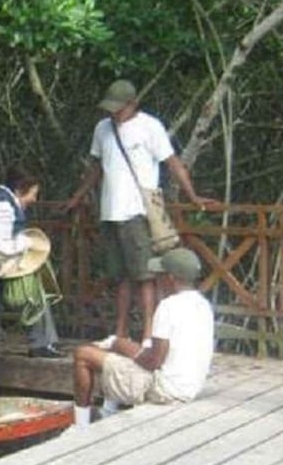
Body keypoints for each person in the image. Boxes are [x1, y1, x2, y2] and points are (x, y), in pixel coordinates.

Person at [67, 79, 214, 344]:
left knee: (145, 275)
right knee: (120, 275)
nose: (114, 113)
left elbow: (174, 163)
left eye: (119, 108)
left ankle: (149, 334)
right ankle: (120, 332)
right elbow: (96, 167)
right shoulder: (103, 129)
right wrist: (78, 197)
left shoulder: (150, 127)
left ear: (133, 104)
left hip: (138, 211)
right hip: (110, 211)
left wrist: (192, 196)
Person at [71, 247, 214, 428]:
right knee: (122, 352)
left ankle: (81, 426)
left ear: (170, 278)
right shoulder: (204, 305)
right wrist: (125, 347)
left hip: (164, 390)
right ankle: (108, 411)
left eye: (160, 275)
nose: (157, 280)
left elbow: (153, 361)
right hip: (190, 388)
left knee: (83, 354)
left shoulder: (168, 306)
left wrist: (118, 344)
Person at [0, 165, 64, 396]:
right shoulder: (5, 207)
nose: (34, 199)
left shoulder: (2, 200)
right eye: (33, 193)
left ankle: (41, 342)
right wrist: (23, 244)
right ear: (21, 189)